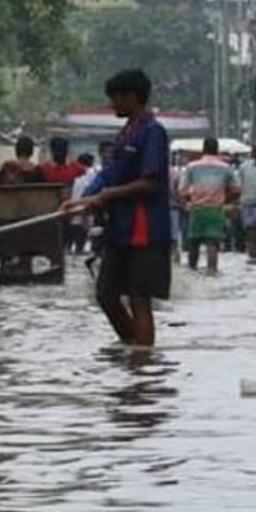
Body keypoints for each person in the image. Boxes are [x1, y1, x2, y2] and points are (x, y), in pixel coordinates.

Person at [63, 69, 171, 347]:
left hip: (144, 227)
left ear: (132, 97)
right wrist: (83, 200)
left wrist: (109, 194)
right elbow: (109, 175)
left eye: (116, 98)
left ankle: (143, 364)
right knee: (106, 293)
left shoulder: (153, 133)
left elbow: (151, 182)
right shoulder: (124, 135)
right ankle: (134, 346)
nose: (112, 105)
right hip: (119, 228)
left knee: (139, 297)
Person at [181, 138, 240, 273]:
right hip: (216, 210)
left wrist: (190, 200)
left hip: (197, 209)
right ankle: (212, 271)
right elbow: (237, 190)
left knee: (193, 244)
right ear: (217, 150)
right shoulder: (225, 167)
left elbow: (182, 190)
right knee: (212, 244)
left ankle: (192, 272)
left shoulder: (192, 167)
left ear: (203, 149)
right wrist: (225, 199)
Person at [69, 153, 98, 254]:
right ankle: (79, 248)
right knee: (84, 226)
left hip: (74, 201)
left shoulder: (75, 172)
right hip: (86, 201)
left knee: (76, 224)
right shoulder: (91, 172)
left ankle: (71, 248)